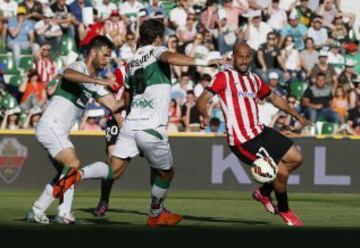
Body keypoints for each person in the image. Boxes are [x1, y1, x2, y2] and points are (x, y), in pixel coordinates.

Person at [58, 19, 221, 227]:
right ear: (159, 37)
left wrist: (129, 115)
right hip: (151, 126)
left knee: (113, 171)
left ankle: (75, 175)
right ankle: (156, 214)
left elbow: (126, 96)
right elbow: (169, 57)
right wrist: (204, 62)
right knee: (166, 172)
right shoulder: (155, 51)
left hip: (131, 125)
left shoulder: (132, 60)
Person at [197, 42, 311, 226]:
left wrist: (296, 115)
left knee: (297, 158)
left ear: (251, 57)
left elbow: (274, 98)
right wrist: (204, 115)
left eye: (247, 56)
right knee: (280, 172)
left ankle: (264, 192)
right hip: (242, 140)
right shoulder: (223, 77)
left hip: (260, 131)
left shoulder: (254, 79)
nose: (243, 60)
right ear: (233, 57)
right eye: (240, 56)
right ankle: (285, 210)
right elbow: (202, 99)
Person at [26, 35, 123, 224]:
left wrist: (133, 93)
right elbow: (68, 74)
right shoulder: (79, 67)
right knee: (73, 163)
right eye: (105, 55)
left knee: (67, 173)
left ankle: (55, 213)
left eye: (110, 56)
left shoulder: (93, 81)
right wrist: (100, 82)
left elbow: (114, 105)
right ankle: (44, 211)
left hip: (58, 130)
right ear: (93, 52)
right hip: (50, 125)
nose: (107, 60)